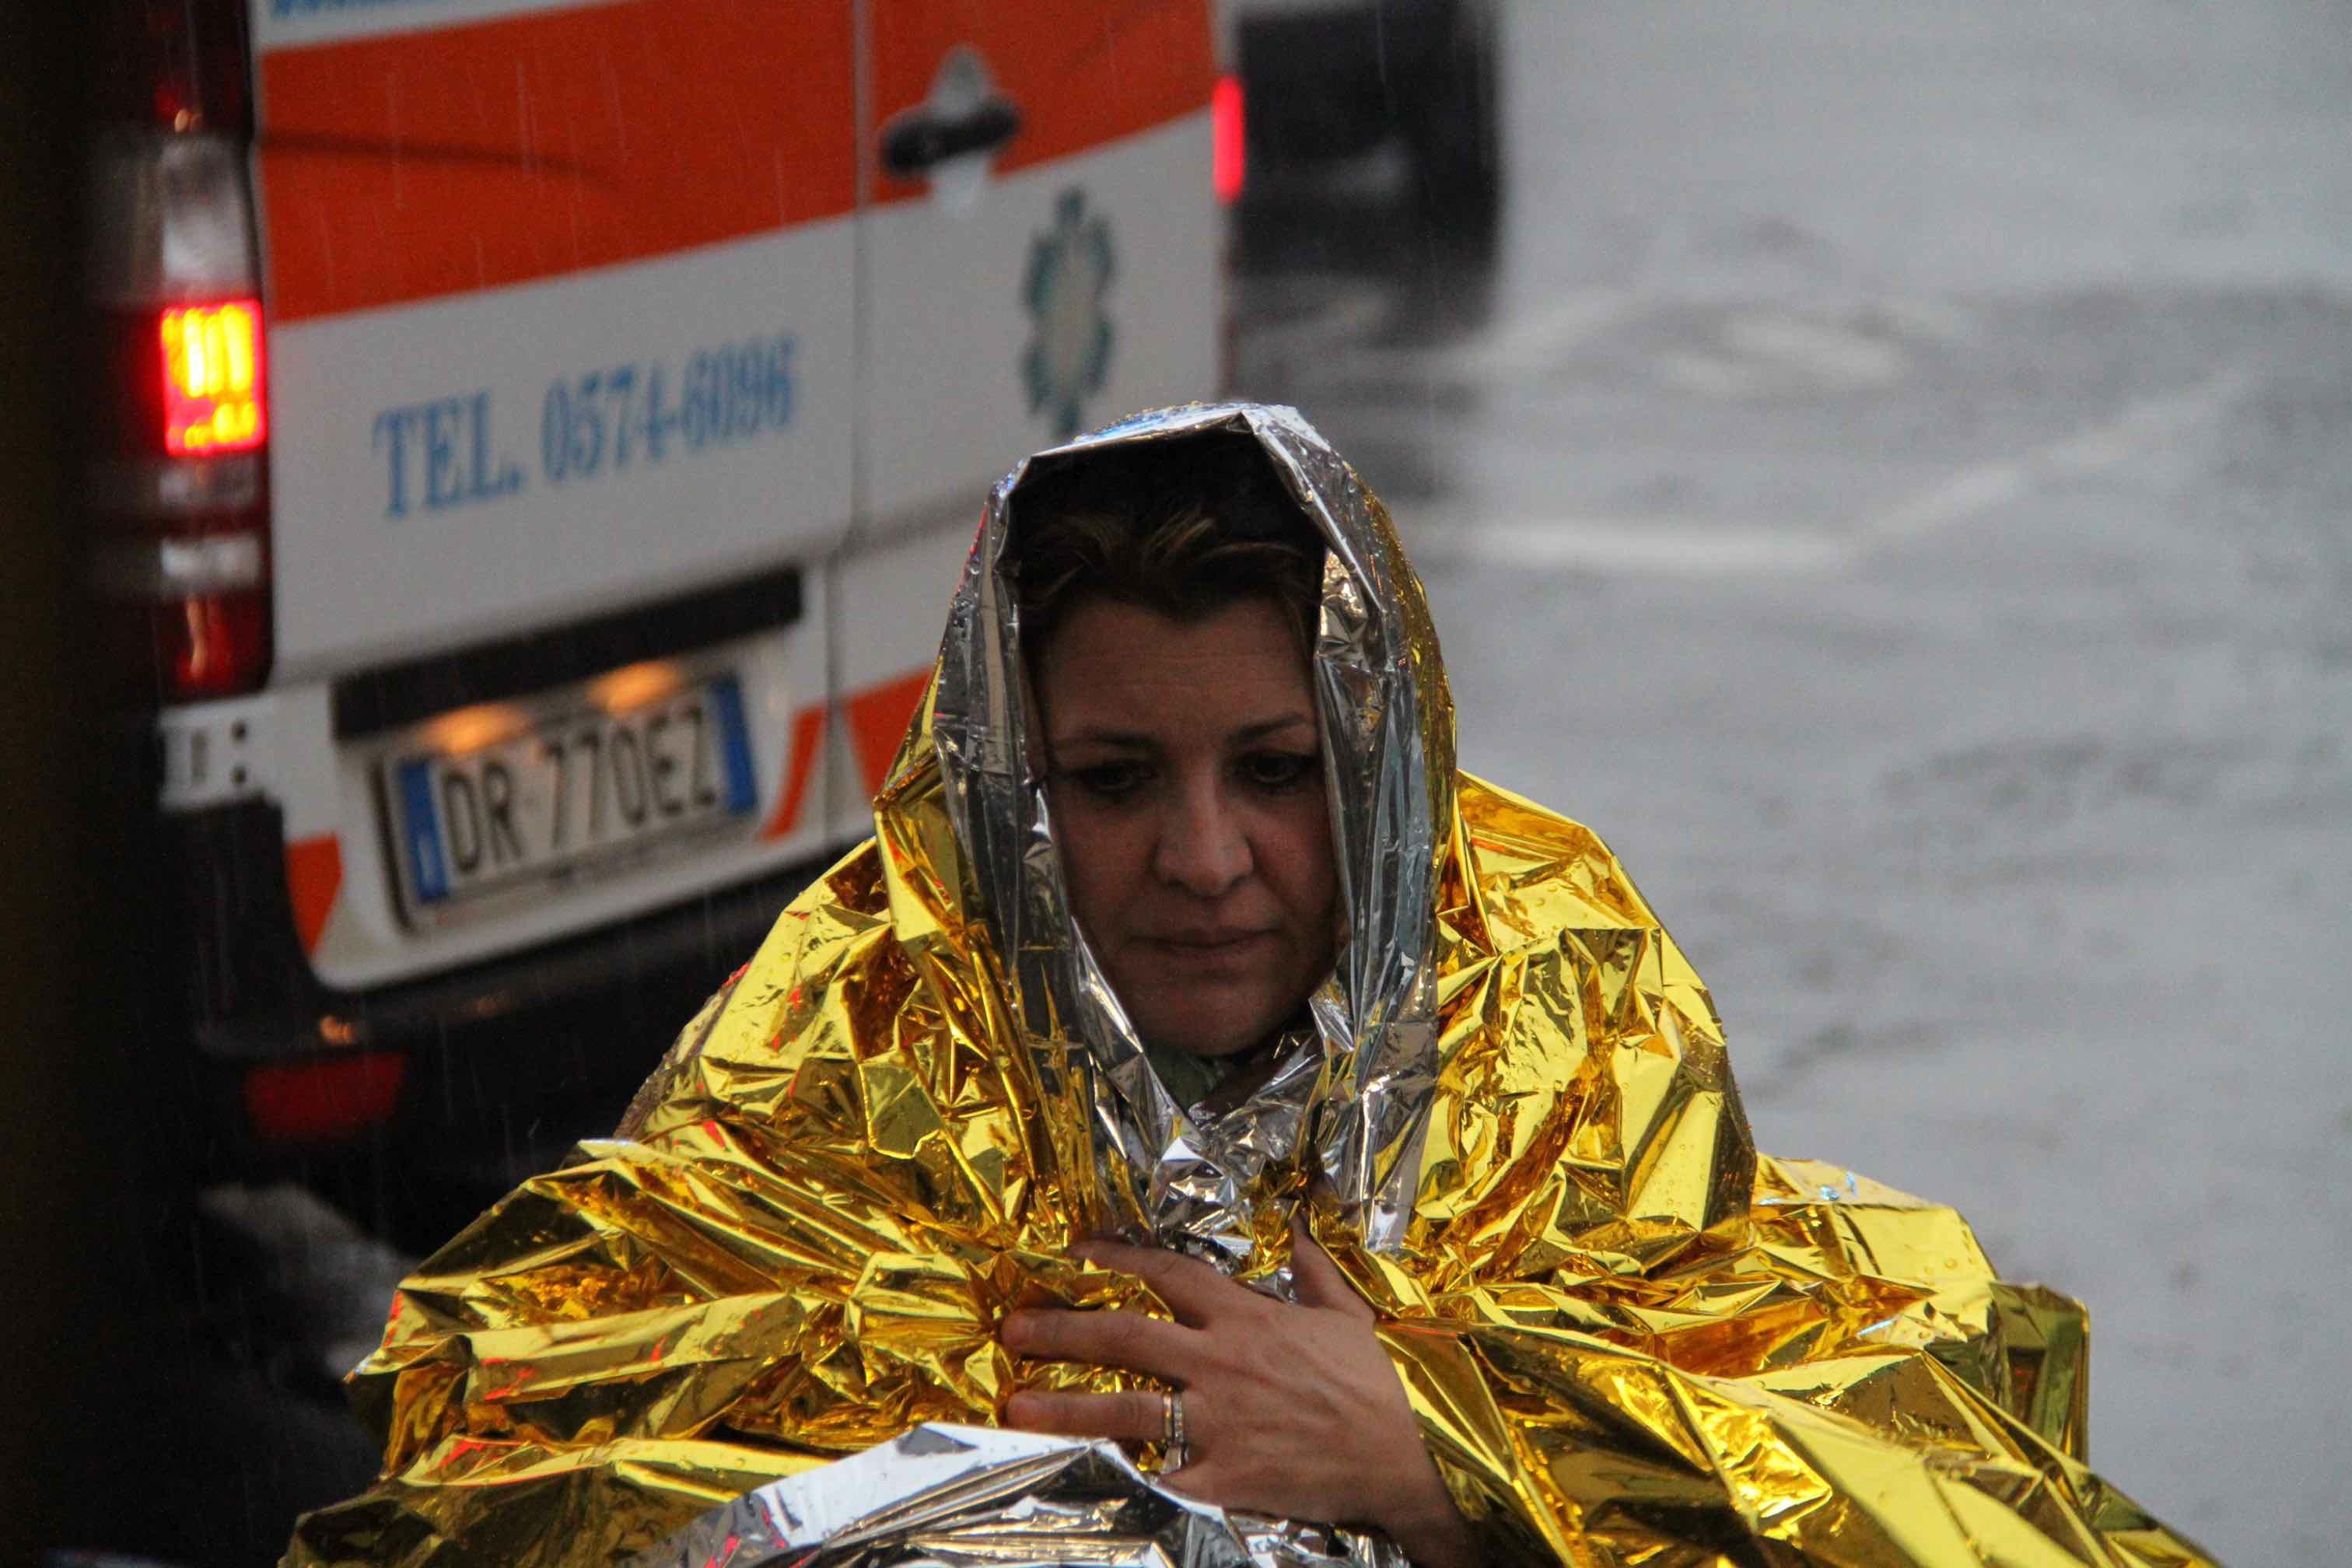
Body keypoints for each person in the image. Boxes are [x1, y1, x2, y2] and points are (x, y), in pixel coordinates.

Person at [288, 404, 2213, 1567]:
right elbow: (510, 1474)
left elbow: (1900, 1484)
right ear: (1010, 796)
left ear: (1374, 770)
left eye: (1277, 773)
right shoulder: (848, 1035)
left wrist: (1451, 1459)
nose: (1206, 861)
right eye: (1117, 782)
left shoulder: (1555, 1006)